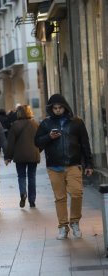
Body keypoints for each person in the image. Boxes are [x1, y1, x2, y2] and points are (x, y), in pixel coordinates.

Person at [35, 94, 93, 240]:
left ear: (65, 107)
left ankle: (74, 222)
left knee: (77, 193)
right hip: (54, 166)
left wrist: (89, 163)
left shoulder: (77, 122)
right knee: (60, 198)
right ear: (51, 109)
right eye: (55, 108)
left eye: (60, 107)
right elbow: (37, 142)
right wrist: (49, 137)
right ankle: (62, 226)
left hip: (73, 164)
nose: (58, 110)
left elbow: (85, 143)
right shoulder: (46, 124)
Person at [4, 105, 40, 208]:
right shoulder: (35, 124)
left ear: (18, 113)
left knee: (21, 176)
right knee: (32, 177)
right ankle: (32, 200)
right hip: (33, 155)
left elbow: (10, 143)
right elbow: (40, 140)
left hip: (20, 156)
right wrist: (37, 150)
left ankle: (23, 194)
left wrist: (8, 157)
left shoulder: (15, 125)